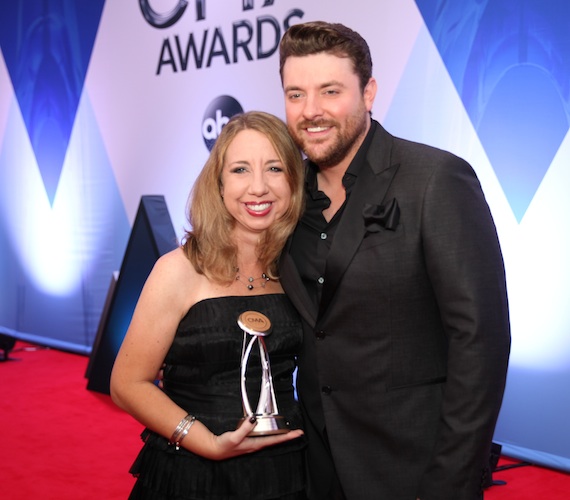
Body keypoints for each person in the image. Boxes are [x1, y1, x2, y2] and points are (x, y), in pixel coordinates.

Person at [277, 21, 511, 500]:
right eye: (295, 94)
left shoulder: (434, 180)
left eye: (330, 91)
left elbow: (480, 340)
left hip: (415, 469)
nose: (311, 111)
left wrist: (452, 479)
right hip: (315, 466)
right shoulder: (286, 197)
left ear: (369, 93)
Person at [110, 111, 307, 500]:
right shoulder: (177, 271)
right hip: (192, 475)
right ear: (217, 185)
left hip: (287, 472)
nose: (258, 187)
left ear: (294, 182)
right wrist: (205, 442)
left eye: (274, 168)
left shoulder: (300, 270)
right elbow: (126, 384)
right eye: (239, 170)